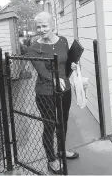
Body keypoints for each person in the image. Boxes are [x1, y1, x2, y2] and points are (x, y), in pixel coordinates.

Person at [27, 11, 83, 174]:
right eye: (39, 27)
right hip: (46, 93)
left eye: (45, 26)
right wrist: (54, 79)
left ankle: (61, 150)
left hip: (64, 90)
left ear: (53, 25)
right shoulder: (34, 47)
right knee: (50, 125)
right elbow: (42, 70)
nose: (42, 29)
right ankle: (51, 159)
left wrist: (71, 66)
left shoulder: (63, 41)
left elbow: (65, 64)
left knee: (63, 121)